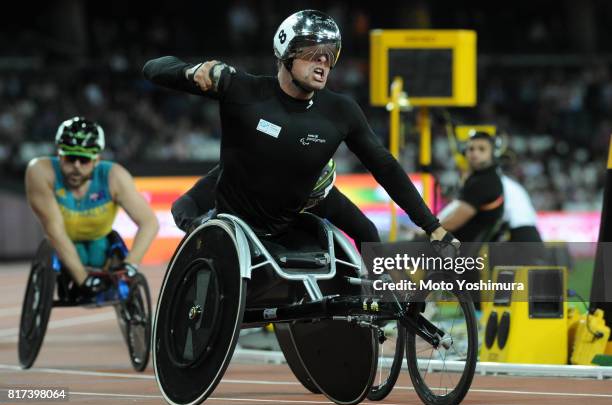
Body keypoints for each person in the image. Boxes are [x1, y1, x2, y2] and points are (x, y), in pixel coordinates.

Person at [143, 10, 456, 252]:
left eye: (330, 54)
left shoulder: (341, 111)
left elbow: (385, 167)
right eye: (313, 53)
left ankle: (378, 309)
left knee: (363, 239)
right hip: (232, 228)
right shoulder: (242, 88)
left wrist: (433, 227)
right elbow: (153, 68)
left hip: (290, 225)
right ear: (286, 53)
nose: (323, 60)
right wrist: (191, 70)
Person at [25, 117, 159, 296]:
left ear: (97, 159)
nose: (76, 166)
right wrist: (83, 280)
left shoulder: (114, 177)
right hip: (65, 241)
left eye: (84, 160)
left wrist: (130, 265)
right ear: (59, 155)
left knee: (97, 255)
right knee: (75, 254)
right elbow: (54, 231)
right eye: (70, 158)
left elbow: (149, 222)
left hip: (100, 241)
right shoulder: (40, 171)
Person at [171, 161, 382, 250]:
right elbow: (184, 204)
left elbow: (366, 231)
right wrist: (195, 227)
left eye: (310, 201)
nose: (302, 204)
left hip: (289, 241)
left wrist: (384, 286)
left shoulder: (325, 198)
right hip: (243, 237)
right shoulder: (242, 170)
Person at [437, 130, 504, 242]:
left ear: (492, 154)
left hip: (454, 249)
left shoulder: (484, 182)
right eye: (471, 149)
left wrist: (427, 230)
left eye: (482, 149)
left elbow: (453, 223)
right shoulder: (482, 177)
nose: (475, 153)